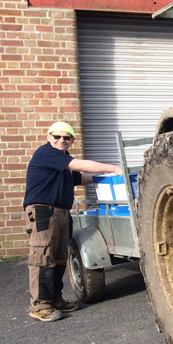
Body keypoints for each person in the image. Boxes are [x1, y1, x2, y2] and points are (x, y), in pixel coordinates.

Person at [23, 121, 124, 322]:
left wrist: (107, 177)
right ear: (48, 137)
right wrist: (113, 168)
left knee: (59, 257)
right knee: (43, 257)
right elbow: (78, 165)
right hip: (43, 211)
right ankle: (40, 305)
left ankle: (55, 299)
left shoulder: (62, 161)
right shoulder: (46, 153)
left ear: (72, 141)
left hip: (60, 212)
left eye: (66, 137)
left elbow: (80, 177)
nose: (61, 140)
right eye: (57, 136)